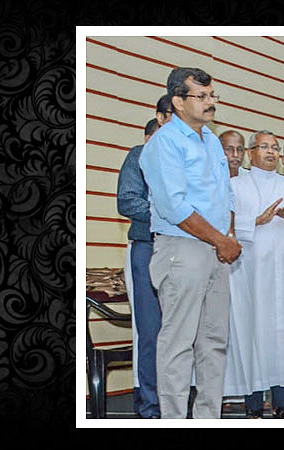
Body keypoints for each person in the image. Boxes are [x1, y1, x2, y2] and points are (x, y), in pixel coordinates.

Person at [139, 67, 242, 419]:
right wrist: (221, 240)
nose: (211, 102)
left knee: (214, 342)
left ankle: (208, 419)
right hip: (182, 248)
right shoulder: (164, 143)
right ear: (178, 102)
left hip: (216, 249)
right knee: (178, 342)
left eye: (213, 95)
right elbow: (175, 206)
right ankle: (172, 419)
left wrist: (226, 238)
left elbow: (224, 195)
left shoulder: (211, 139)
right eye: (202, 96)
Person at [223, 130, 284, 419]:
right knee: (253, 333)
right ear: (250, 152)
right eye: (263, 147)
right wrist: (256, 220)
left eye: (274, 148)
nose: (270, 152)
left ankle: (283, 404)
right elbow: (222, 221)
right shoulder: (235, 185)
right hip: (250, 270)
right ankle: (253, 405)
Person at [117, 117, 164, 418]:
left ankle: (177, 402)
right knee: (150, 331)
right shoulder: (138, 156)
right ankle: (150, 407)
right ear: (149, 136)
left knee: (180, 334)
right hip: (147, 247)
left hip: (184, 249)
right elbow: (128, 202)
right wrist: (172, 213)